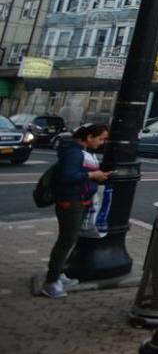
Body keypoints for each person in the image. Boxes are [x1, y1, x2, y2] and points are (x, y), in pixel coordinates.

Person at [42, 122, 110, 299]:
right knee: (66, 240)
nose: (102, 143)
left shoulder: (83, 152)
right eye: (100, 139)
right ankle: (51, 282)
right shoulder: (73, 153)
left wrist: (98, 176)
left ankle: (58, 275)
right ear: (89, 137)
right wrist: (92, 175)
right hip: (71, 201)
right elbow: (67, 176)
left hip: (80, 199)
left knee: (70, 239)